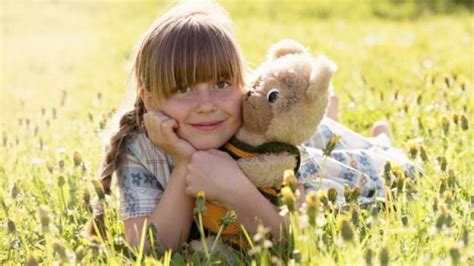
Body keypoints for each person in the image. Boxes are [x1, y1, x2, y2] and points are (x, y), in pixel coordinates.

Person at [93, 1, 415, 252]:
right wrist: (184, 165)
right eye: (184, 89)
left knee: (399, 169)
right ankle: (330, 113)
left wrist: (234, 189)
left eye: (221, 83)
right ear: (148, 99)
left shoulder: (263, 133)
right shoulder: (140, 147)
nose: (207, 104)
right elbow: (150, 248)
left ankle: (372, 135)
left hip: (326, 152)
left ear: (241, 82)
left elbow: (297, 237)